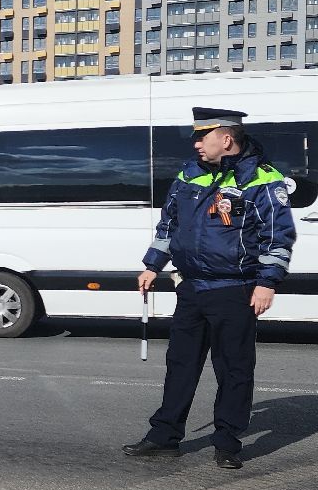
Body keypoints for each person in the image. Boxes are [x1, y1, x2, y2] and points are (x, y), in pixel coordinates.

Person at [125, 107, 298, 470]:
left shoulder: (263, 180)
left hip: (235, 290)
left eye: (203, 136)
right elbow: (168, 223)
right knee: (180, 365)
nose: (196, 143)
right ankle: (164, 437)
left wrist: (267, 283)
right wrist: (152, 265)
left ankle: (228, 442)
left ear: (226, 138)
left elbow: (277, 236)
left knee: (233, 369)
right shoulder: (190, 173)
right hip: (191, 288)